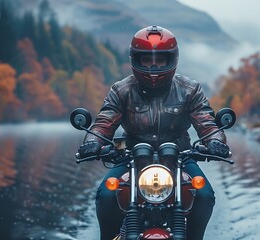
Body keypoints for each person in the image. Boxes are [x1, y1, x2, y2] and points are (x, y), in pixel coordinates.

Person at [78, 25, 230, 240]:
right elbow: (104, 122)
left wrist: (216, 141)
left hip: (181, 156)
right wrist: (93, 142)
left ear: (172, 60)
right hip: (130, 155)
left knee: (204, 194)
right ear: (136, 60)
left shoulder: (190, 89)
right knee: (106, 194)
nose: (153, 66)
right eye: (146, 60)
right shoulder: (121, 90)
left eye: (160, 60)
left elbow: (207, 122)